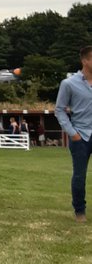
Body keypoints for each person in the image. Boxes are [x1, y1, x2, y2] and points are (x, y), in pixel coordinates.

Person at [54, 45, 92, 223]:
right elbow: (59, 110)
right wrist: (72, 133)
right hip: (81, 136)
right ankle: (80, 212)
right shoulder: (69, 83)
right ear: (85, 61)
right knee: (79, 175)